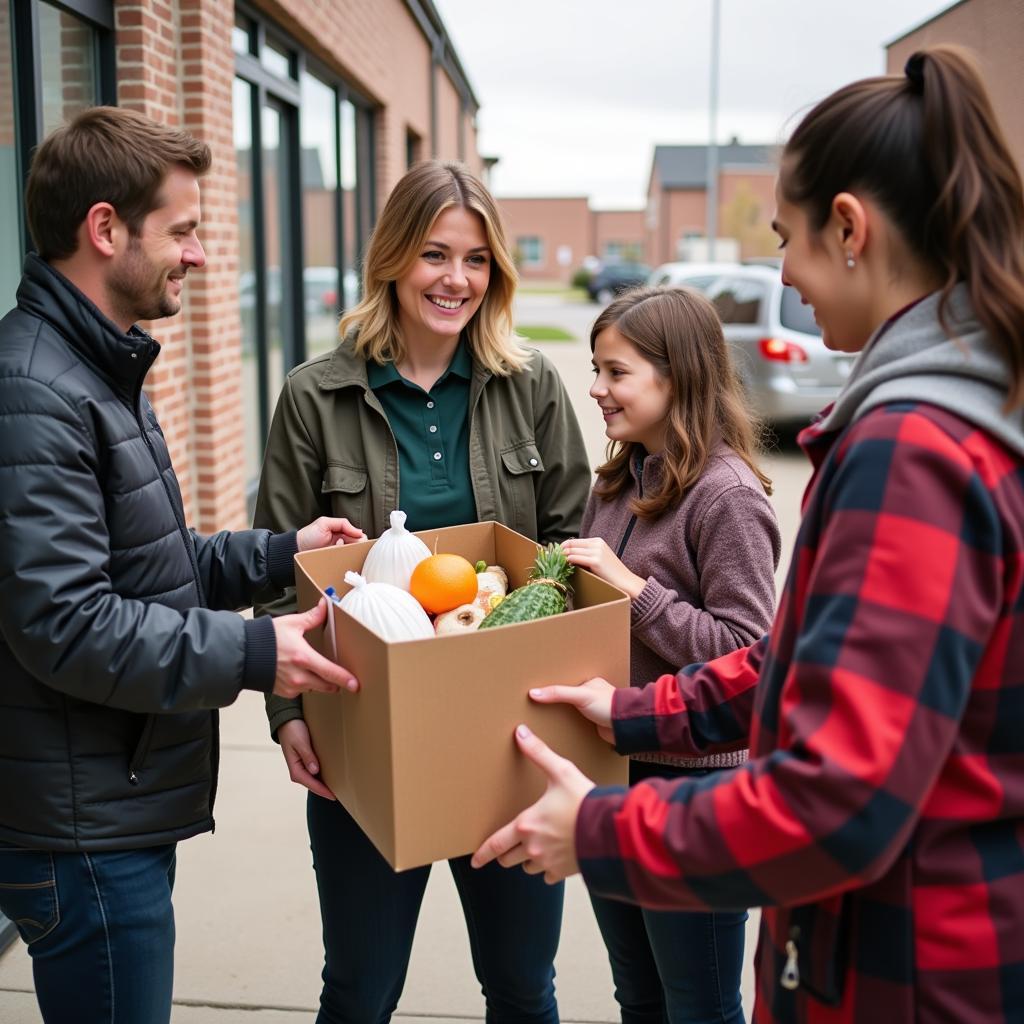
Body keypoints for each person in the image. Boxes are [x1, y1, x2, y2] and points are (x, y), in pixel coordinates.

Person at [473, 46, 1024, 1023]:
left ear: (847, 228)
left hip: (912, 978)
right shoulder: (968, 410)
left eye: (785, 237)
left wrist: (600, 828)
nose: (782, 273)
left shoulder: (913, 450)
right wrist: (630, 714)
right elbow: (809, 663)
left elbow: (837, 801)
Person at [0, 106, 365, 1024]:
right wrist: (255, 656)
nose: (198, 255)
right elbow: (67, 623)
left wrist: (283, 553)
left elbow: (155, 567)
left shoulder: (96, 369)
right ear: (105, 229)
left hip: (106, 807)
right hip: (81, 829)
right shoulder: (38, 391)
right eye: (185, 230)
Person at [252, 159, 592, 1023]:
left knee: (522, 986)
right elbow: (274, 570)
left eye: (477, 260)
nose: (456, 280)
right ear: (394, 259)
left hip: (505, 733)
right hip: (365, 726)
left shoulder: (531, 386)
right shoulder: (314, 397)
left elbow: (569, 554)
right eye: (436, 255)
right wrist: (287, 715)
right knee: (361, 992)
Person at [560, 286, 779, 1023]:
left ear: (676, 376)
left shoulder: (729, 498)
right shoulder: (621, 478)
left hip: (696, 792)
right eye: (596, 369)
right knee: (641, 998)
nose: (596, 388)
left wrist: (635, 590)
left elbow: (751, 654)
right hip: (616, 769)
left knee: (703, 1008)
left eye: (615, 372)